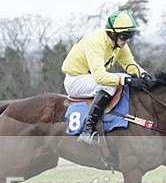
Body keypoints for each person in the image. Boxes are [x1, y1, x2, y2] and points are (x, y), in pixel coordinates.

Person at [61, 10, 153, 147]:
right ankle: (87, 130)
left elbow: (130, 64)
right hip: (75, 80)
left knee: (125, 77)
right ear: (112, 33)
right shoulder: (96, 42)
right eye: (124, 36)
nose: (127, 40)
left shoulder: (119, 44)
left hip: (89, 78)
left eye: (130, 36)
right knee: (112, 84)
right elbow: (100, 77)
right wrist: (128, 81)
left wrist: (144, 75)